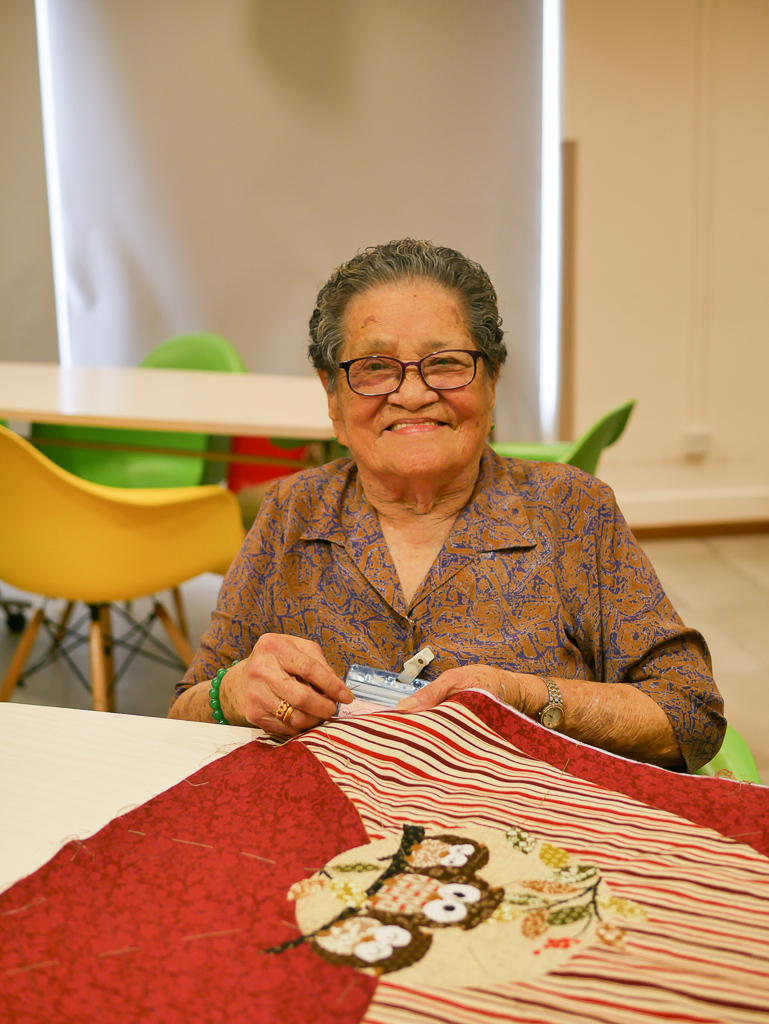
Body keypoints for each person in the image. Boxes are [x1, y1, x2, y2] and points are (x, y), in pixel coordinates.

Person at [169, 239, 725, 772]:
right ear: (333, 401)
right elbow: (183, 712)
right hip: (328, 842)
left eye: (446, 363)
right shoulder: (294, 510)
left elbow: (691, 713)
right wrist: (233, 692)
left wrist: (529, 700)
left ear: (491, 381)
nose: (412, 394)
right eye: (374, 367)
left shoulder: (572, 509)